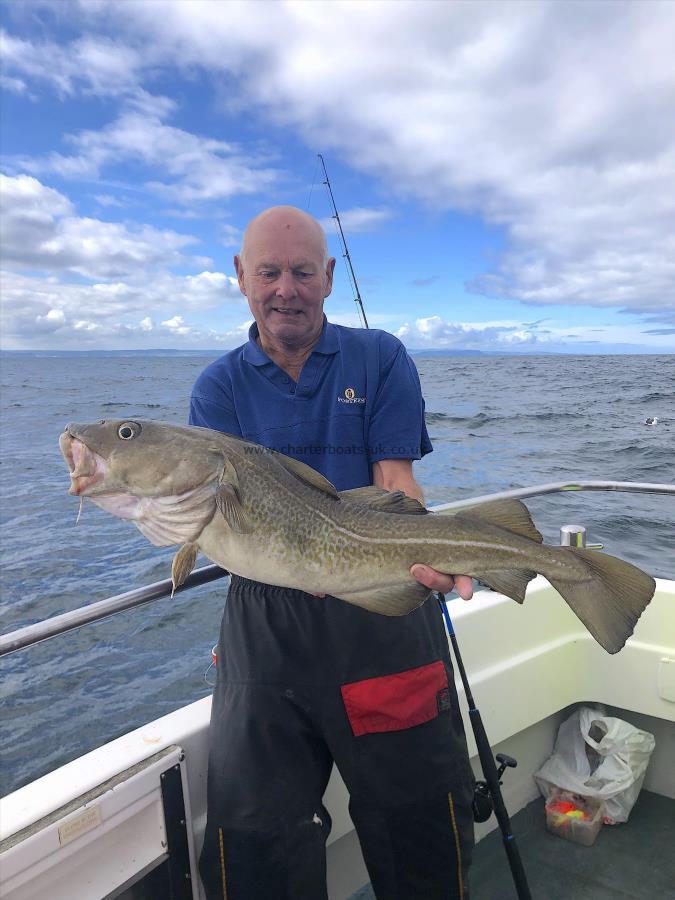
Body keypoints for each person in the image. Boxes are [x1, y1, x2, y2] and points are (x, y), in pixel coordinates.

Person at [190, 206, 475, 900]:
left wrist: (431, 551)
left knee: (418, 825)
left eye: (301, 272)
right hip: (266, 628)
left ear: (329, 276)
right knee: (255, 839)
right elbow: (211, 520)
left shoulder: (379, 357)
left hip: (378, 607)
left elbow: (394, 480)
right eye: (268, 272)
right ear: (240, 277)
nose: (285, 289)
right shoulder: (217, 388)